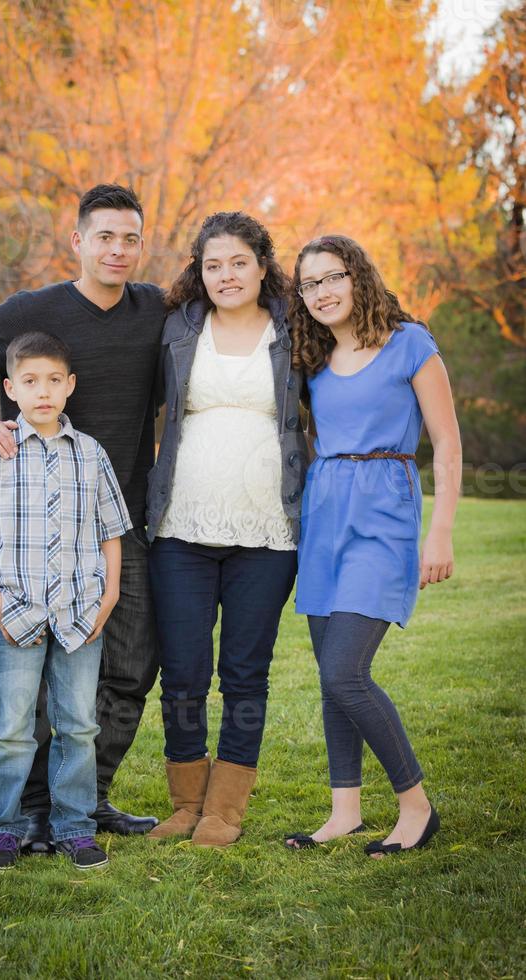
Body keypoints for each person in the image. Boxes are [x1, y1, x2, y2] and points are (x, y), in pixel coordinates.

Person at [0, 184, 164, 844]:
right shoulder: (34, 311)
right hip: (36, 537)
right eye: (105, 237)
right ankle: (32, 808)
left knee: (132, 666)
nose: (118, 250)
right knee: (32, 674)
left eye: (130, 238)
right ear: (77, 242)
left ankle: (86, 800)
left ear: (141, 245)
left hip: (122, 525)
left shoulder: (156, 312)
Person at [284, 235, 462, 857]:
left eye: (332, 278)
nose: (322, 292)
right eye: (309, 285)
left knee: (345, 671)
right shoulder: (313, 358)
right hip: (324, 513)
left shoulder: (410, 343)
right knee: (330, 676)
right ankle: (345, 812)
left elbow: (446, 442)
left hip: (384, 513)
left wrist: (439, 530)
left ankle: (415, 806)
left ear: (358, 277)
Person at [146, 212, 308, 847]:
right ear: (199, 271)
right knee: (183, 669)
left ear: (263, 266)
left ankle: (225, 812)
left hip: (268, 533)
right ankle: (187, 802)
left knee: (245, 672)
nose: (226, 275)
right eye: (213, 264)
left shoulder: (296, 329)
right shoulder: (177, 329)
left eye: (239, 261)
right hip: (181, 528)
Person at [0, 332, 133, 870]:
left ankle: (75, 827)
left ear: (70, 386)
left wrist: (110, 593)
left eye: (54, 380)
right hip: (16, 614)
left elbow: (111, 531)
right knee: (13, 728)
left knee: (78, 724)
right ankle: (4, 828)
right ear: (11, 388)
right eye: (30, 382)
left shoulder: (90, 454)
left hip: (79, 613)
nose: (43, 391)